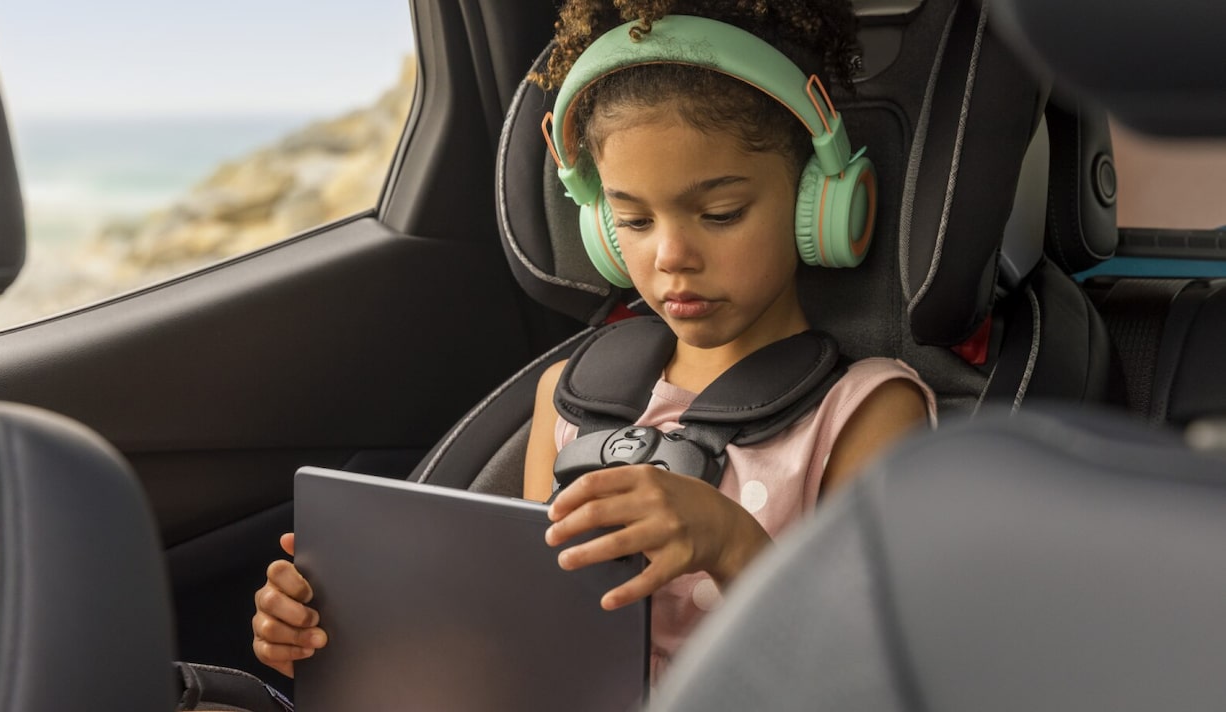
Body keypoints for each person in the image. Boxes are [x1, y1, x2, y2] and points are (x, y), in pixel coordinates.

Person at [251, 0, 937, 685]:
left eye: (720, 213)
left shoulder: (867, 415)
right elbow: (517, 631)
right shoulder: (571, 399)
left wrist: (729, 542)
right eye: (633, 220)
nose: (671, 255)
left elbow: (874, 676)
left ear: (822, 201)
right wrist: (342, 623)